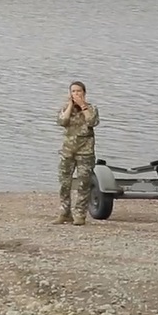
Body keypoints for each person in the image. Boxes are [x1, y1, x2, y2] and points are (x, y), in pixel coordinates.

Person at [55, 81, 100, 226]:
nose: (76, 94)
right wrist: (70, 105)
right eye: (73, 91)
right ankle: (64, 212)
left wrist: (83, 106)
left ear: (84, 93)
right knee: (64, 183)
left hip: (85, 152)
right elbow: (62, 121)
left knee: (83, 184)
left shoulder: (91, 108)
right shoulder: (65, 108)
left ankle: (80, 214)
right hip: (68, 151)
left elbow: (92, 121)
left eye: (78, 91)